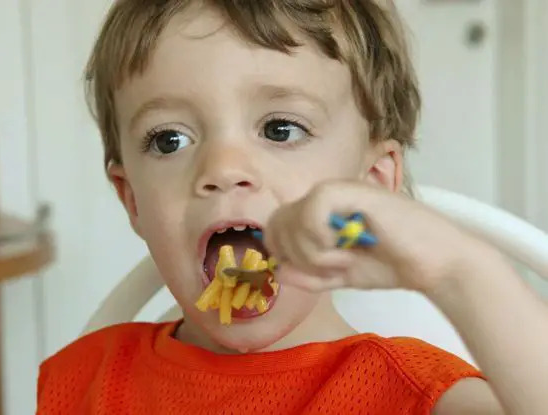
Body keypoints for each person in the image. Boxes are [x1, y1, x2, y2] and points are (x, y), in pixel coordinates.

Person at [36, 1, 548, 414]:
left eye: (281, 129)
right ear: (132, 201)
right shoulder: (81, 380)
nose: (223, 167)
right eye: (170, 139)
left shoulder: (411, 395)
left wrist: (458, 270)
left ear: (370, 183)